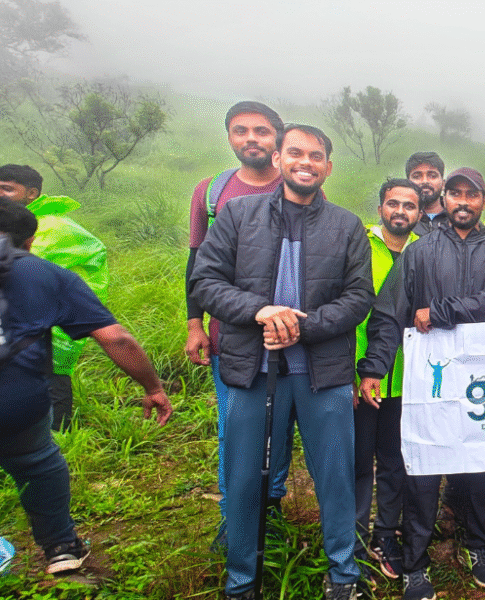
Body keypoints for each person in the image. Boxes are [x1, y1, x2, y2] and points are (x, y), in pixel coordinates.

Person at [190, 124, 373, 600]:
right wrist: (259, 311)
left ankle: (343, 575)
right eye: (296, 152)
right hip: (249, 369)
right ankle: (242, 580)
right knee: (243, 475)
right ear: (278, 159)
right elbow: (205, 282)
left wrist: (301, 325)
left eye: (316, 156)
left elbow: (359, 297)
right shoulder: (236, 214)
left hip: (323, 373)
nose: (305, 162)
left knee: (334, 475)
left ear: (327, 167)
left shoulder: (346, 225)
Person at [358, 167, 485, 600]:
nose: (463, 202)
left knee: (478, 463)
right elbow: (391, 312)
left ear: (484, 201)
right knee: (423, 468)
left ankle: (477, 546)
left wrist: (438, 312)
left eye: (473, 195)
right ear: (444, 199)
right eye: (456, 194)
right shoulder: (420, 251)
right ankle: (414, 562)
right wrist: (373, 368)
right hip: (429, 380)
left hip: (481, 378)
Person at [0, 200, 172, 577]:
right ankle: (60, 547)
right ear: (30, 241)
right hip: (15, 402)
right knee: (37, 464)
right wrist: (154, 387)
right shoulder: (46, 274)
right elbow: (116, 339)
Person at [182, 100, 291, 528]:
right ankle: (235, 519)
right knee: (235, 429)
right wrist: (194, 324)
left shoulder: (298, 183)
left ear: (277, 140)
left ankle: (273, 506)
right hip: (230, 332)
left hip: (285, 332)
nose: (251, 139)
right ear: (229, 136)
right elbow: (197, 263)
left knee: (278, 427)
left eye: (261, 131)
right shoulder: (213, 191)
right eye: (241, 130)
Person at [0, 164, 108, 432]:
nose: (0, 194)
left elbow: (24, 270)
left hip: (56, 322)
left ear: (32, 194)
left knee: (54, 379)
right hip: (32, 318)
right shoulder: (20, 223)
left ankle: (59, 442)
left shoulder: (51, 227)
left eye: (7, 188)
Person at [353, 178, 422, 582]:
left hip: (406, 380)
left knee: (395, 462)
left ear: (419, 212)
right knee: (360, 463)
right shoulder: (358, 244)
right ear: (380, 207)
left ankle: (385, 535)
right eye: (393, 203)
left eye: (409, 206)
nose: (401, 211)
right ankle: (354, 540)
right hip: (362, 373)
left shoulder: (421, 252)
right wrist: (353, 370)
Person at [405, 152, 449, 236]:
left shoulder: (458, 218)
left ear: (443, 184)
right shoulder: (398, 219)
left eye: (432, 175)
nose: (425, 181)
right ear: (407, 183)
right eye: (417, 176)